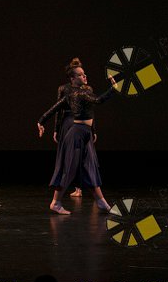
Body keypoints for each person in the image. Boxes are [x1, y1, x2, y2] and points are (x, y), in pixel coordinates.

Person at [37, 63, 116, 213]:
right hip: (76, 134)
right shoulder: (78, 93)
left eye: (84, 73)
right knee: (70, 169)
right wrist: (113, 88)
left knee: (89, 166)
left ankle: (101, 202)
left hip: (85, 133)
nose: (84, 76)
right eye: (80, 74)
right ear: (72, 79)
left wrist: (41, 121)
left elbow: (54, 109)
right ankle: (55, 203)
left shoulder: (84, 91)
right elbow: (98, 101)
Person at [52, 58, 83, 197]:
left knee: (74, 155)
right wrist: (56, 129)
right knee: (77, 154)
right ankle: (77, 188)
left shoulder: (84, 88)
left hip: (72, 122)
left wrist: (56, 129)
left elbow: (58, 110)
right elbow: (58, 109)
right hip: (73, 122)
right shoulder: (64, 88)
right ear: (72, 76)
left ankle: (76, 188)